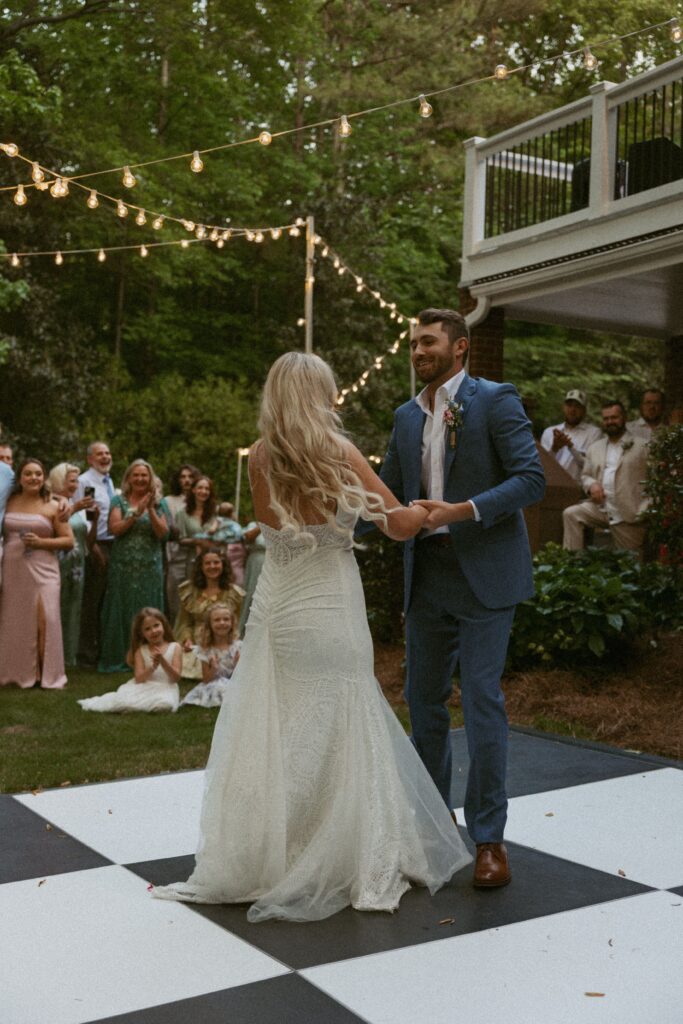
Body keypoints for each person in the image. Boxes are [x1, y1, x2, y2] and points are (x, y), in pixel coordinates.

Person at [153, 351, 471, 922]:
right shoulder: (340, 454)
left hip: (279, 603)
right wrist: (429, 511)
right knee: (342, 715)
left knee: (279, 720)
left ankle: (275, 849)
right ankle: (339, 851)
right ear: (316, 394)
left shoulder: (261, 459)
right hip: (330, 598)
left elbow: (272, 532)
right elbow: (395, 526)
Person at [376, 308, 545, 889]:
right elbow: (389, 493)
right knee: (423, 705)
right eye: (413, 343)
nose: (417, 350)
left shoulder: (494, 399)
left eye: (428, 341)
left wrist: (461, 511)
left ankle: (489, 839)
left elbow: (531, 479)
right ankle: (431, 826)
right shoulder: (404, 416)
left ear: (460, 347)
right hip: (426, 576)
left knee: (480, 701)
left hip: (486, 576)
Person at [0, 459, 74, 688]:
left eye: (38, 474)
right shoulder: (8, 501)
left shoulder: (53, 505)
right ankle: (18, 672)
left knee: (46, 619)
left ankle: (46, 674)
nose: (34, 478)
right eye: (28, 474)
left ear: (44, 478)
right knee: (16, 621)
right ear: (20, 478)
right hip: (13, 568)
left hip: (44, 569)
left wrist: (42, 542)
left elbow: (69, 541)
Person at [98, 459, 170, 672]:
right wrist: (135, 514)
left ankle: (151, 657)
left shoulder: (160, 503)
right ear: (129, 478)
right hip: (123, 566)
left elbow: (163, 534)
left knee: (149, 610)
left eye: (144, 475)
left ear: (150, 479)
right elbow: (115, 529)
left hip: (150, 566)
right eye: (136, 475)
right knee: (120, 608)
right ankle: (119, 657)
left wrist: (150, 510)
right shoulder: (118, 501)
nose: (140, 479)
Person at [562, 400, 649, 553]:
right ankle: (571, 564)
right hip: (600, 508)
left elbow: (658, 480)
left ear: (624, 418)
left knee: (633, 567)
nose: (610, 422)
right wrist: (592, 485)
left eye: (614, 417)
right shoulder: (595, 447)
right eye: (606, 419)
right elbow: (586, 475)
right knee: (571, 513)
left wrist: (645, 509)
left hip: (629, 513)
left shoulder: (643, 446)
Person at [78, 608, 181, 712]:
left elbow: (175, 678)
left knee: (165, 704)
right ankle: (132, 706)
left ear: (163, 625)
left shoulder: (175, 647)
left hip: (166, 688)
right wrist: (152, 667)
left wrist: (163, 662)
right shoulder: (140, 651)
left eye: (156, 625)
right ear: (142, 634)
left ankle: (142, 707)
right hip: (145, 686)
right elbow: (139, 679)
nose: (153, 631)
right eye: (147, 629)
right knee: (123, 701)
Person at [48, 462, 98, 667]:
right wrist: (76, 507)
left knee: (73, 609)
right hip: (58, 562)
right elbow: (55, 524)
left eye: (77, 480)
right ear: (60, 480)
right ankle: (51, 656)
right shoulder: (51, 501)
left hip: (78, 565)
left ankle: (69, 657)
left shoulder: (74, 503)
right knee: (56, 608)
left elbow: (87, 541)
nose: (76, 484)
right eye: (72, 480)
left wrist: (95, 519)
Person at [174, 548, 244, 679]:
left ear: (223, 565)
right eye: (207, 563)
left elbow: (235, 624)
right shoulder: (190, 591)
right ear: (201, 566)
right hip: (196, 642)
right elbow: (185, 622)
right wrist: (187, 639)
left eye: (216, 562)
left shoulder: (233, 593)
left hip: (221, 641)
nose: (212, 566)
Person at [75, 441, 116, 667]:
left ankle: (102, 649)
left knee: (106, 602)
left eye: (107, 453)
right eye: (100, 454)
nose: (105, 457)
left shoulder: (109, 482)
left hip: (113, 543)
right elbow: (86, 516)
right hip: (95, 544)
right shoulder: (85, 482)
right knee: (92, 601)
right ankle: (86, 654)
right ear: (90, 459)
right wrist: (93, 548)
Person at [177, 603, 241, 709]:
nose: (222, 623)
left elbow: (241, 677)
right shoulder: (206, 650)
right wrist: (214, 668)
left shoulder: (238, 647)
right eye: (217, 620)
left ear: (232, 622)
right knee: (219, 687)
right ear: (209, 624)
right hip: (214, 683)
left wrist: (237, 666)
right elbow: (207, 679)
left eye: (226, 619)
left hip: (234, 682)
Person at [540, 389, 602, 482]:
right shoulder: (549, 432)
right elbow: (542, 466)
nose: (572, 410)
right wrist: (554, 449)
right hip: (553, 486)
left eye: (577, 406)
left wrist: (570, 446)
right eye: (569, 405)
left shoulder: (594, 433)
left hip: (579, 489)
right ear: (563, 407)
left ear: (584, 411)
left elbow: (592, 467)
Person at [165, 464, 201, 622]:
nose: (187, 480)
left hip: (197, 556)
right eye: (183, 477)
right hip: (175, 555)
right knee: (174, 600)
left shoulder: (201, 501)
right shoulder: (169, 501)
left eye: (190, 477)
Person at [174, 476, 218, 581]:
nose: (203, 491)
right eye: (200, 488)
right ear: (193, 490)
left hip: (214, 562)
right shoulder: (182, 514)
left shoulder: (216, 512)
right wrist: (197, 541)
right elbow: (180, 539)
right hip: (192, 560)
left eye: (207, 489)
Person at [238, 521, 266, 635]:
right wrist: (264, 524)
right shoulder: (254, 525)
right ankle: (244, 631)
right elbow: (248, 538)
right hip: (257, 561)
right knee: (252, 594)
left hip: (277, 561)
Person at [209, 501, 246, 585]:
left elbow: (212, 530)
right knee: (235, 569)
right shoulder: (233, 524)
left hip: (223, 545)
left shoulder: (219, 521)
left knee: (226, 568)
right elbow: (240, 534)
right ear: (231, 513)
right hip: (232, 546)